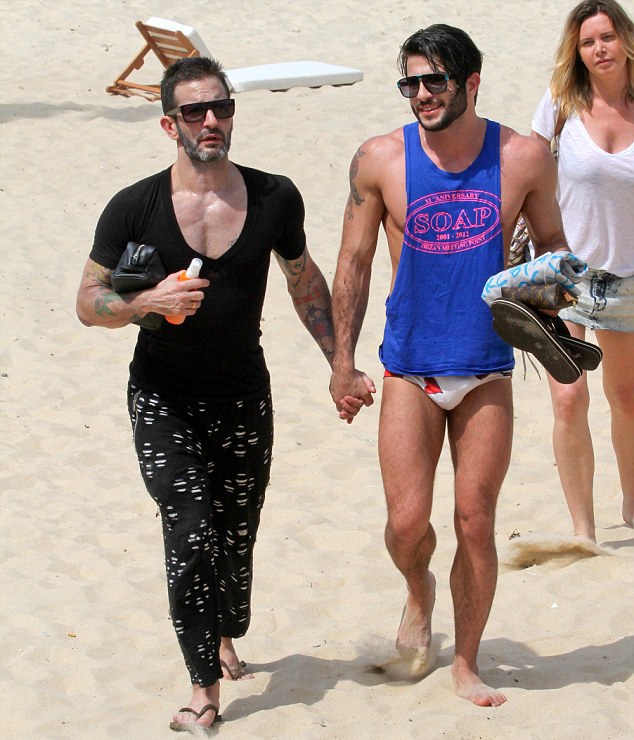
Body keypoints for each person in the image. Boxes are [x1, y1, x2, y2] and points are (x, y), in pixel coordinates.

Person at [76, 56, 342, 734]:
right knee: (191, 529)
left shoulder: (275, 197)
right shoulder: (134, 206)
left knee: (235, 535)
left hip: (243, 396)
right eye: (194, 111)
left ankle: (225, 633)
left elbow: (304, 281)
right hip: (162, 397)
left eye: (220, 106)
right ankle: (203, 688)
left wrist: (339, 363)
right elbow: (87, 301)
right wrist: (146, 302)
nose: (211, 120)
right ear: (170, 124)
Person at [329, 24, 571, 707]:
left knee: (474, 519)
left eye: (434, 80)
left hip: (486, 364)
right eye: (410, 83)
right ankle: (419, 588)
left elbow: (553, 243)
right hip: (409, 364)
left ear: (471, 82)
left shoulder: (523, 157)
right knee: (407, 524)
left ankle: (466, 661)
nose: (422, 94)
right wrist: (342, 363)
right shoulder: (380, 158)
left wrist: (548, 303)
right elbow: (353, 261)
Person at [531, 0, 634, 542]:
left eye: (607, 37)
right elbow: (528, 170)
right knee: (569, 398)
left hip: (628, 279)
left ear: (626, 40)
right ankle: (583, 531)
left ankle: (633, 506)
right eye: (588, 41)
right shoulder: (560, 102)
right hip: (564, 274)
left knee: (626, 399)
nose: (599, 49)